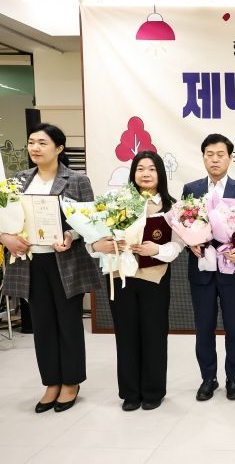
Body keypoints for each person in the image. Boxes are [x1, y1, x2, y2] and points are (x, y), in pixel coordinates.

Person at [0, 123, 100, 413]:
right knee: (42, 324)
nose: (35, 148)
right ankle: (51, 382)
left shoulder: (77, 180)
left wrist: (71, 235)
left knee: (68, 322)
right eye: (32, 142)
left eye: (42, 143)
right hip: (30, 261)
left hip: (64, 261)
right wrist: (5, 237)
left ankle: (71, 381)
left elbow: (89, 220)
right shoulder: (18, 180)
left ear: (59, 148)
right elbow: (5, 216)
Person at [89, 151, 182, 411]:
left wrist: (157, 249)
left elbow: (178, 246)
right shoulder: (116, 202)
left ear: (160, 174)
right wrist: (99, 245)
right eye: (140, 169)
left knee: (154, 334)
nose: (146, 174)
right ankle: (130, 393)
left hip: (155, 277)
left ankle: (153, 391)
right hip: (121, 277)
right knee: (126, 334)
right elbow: (94, 238)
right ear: (133, 173)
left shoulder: (171, 207)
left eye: (152, 169)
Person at [182, 134, 235, 402]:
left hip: (232, 268)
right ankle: (208, 378)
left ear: (230, 158)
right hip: (201, 268)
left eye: (220, 154)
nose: (215, 159)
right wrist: (190, 244)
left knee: (234, 325)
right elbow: (184, 225)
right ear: (203, 157)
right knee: (204, 326)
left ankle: (234, 378)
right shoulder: (191, 189)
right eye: (209, 154)